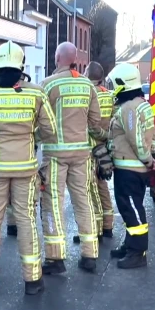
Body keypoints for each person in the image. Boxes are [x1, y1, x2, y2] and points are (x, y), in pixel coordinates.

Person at [0, 41, 56, 296]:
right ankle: (33, 279)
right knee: (26, 219)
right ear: (21, 65)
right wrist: (32, 137)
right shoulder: (36, 93)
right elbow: (51, 130)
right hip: (26, 170)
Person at [39, 42, 106, 274]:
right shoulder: (88, 85)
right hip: (81, 154)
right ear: (76, 59)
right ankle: (90, 255)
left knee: (53, 204)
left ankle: (55, 259)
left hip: (56, 155)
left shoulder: (47, 85)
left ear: (57, 58)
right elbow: (95, 122)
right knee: (83, 200)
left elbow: (39, 121)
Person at [106, 62, 155, 269]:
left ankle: (138, 252)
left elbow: (135, 138)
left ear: (123, 84)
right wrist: (153, 154)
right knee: (130, 207)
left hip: (129, 168)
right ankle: (130, 245)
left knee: (132, 208)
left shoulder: (128, 108)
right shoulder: (143, 104)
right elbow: (153, 135)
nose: (112, 89)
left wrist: (146, 157)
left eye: (115, 84)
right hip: (136, 168)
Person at [72, 61, 116, 244]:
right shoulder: (110, 96)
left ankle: (95, 229)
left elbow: (88, 124)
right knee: (102, 187)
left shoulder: (87, 94)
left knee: (89, 190)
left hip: (89, 148)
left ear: (86, 74)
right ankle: (107, 226)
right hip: (104, 148)